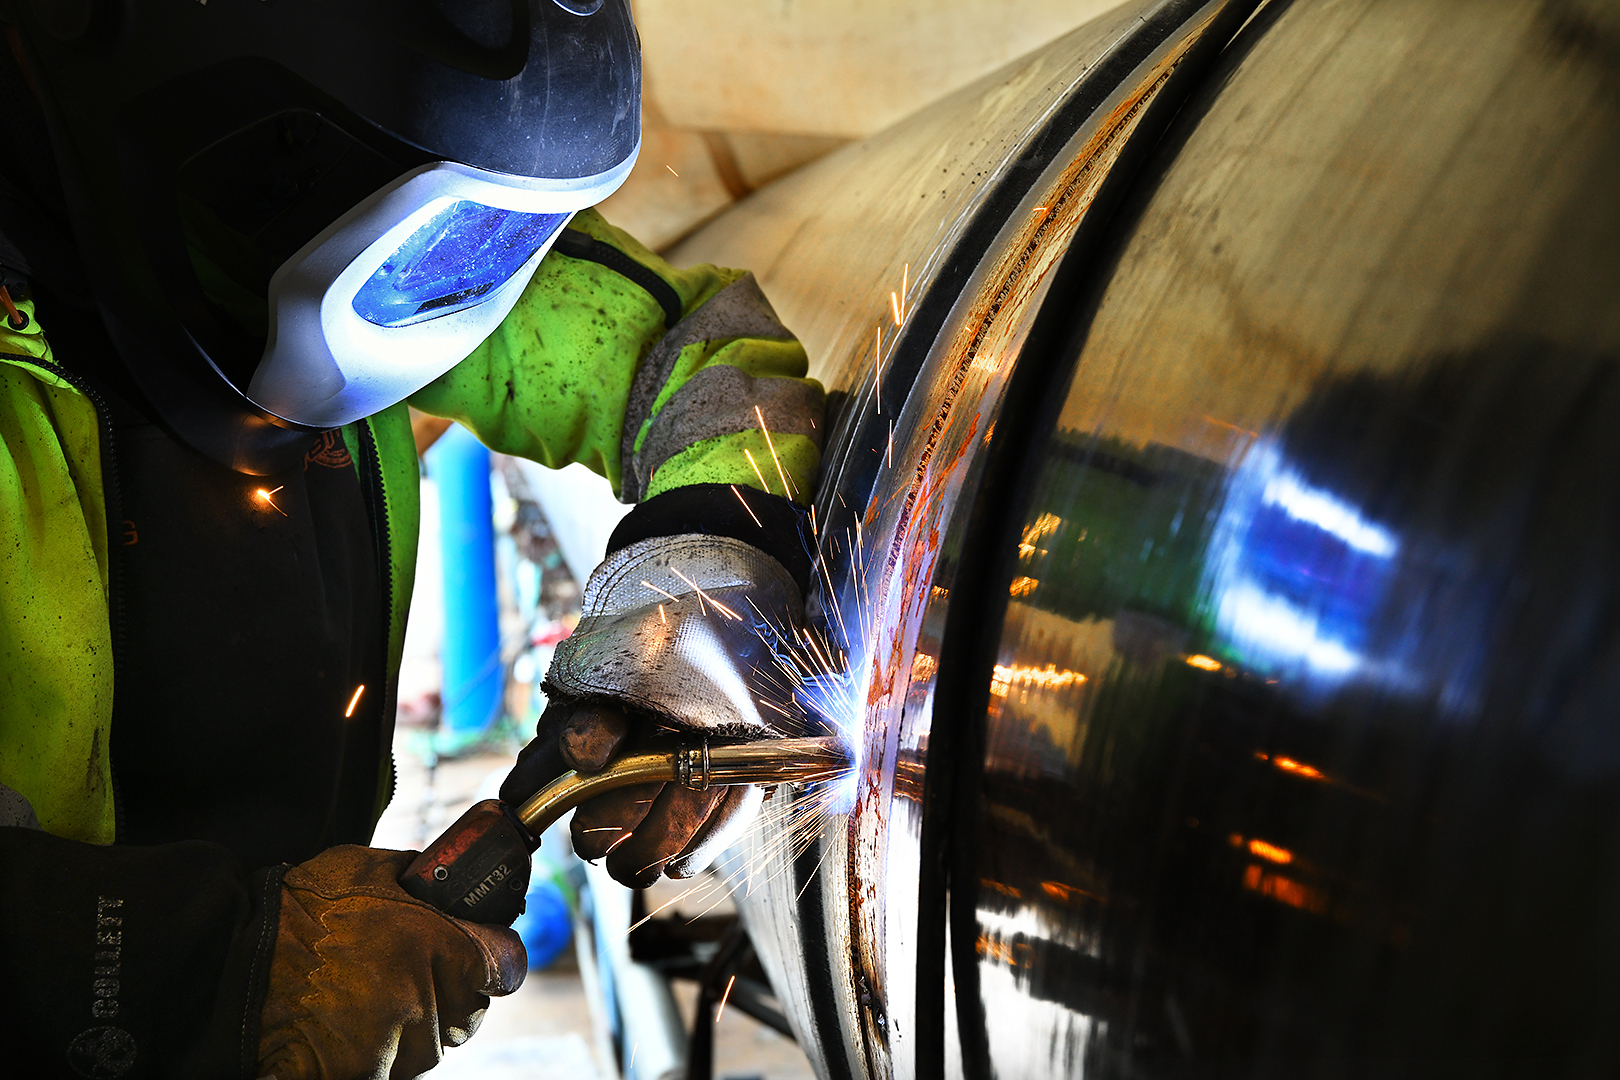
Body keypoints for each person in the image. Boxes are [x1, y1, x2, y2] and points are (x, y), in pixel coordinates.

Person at [0, 2, 821, 1077]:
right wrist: (201, 972)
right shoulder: (249, 212)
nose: (464, 293)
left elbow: (692, 353)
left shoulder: (381, 213)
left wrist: (701, 580)